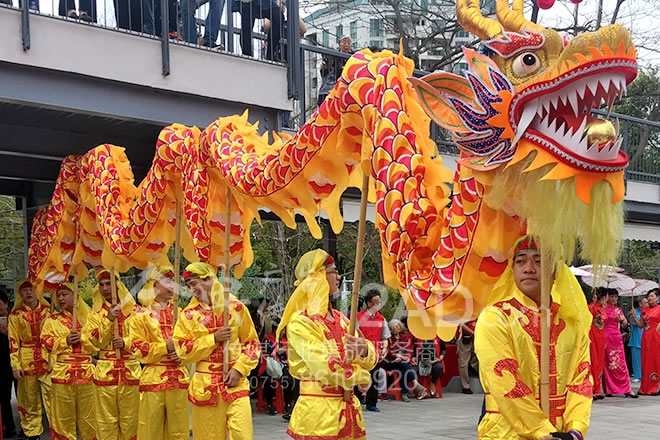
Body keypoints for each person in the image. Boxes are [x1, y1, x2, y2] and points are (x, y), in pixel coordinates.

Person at [475, 236, 592, 440]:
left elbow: (581, 381)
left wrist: (575, 431)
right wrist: (542, 432)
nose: (528, 268)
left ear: (555, 271)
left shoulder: (572, 325)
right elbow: (504, 381)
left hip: (561, 433)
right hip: (508, 432)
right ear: (512, 270)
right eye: (520, 261)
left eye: (539, 261)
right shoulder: (495, 318)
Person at [276, 249, 376, 440]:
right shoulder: (300, 322)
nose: (338, 277)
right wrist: (361, 376)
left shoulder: (342, 319)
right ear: (317, 276)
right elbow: (324, 366)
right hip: (318, 414)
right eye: (333, 271)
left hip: (348, 411)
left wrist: (363, 349)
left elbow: (368, 356)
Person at [173, 262, 260, 440]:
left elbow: (252, 344)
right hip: (205, 387)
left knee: (243, 435)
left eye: (194, 283)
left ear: (209, 279)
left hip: (235, 384)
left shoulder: (235, 307)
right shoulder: (188, 315)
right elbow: (182, 350)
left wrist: (239, 369)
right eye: (188, 286)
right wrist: (213, 339)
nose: (191, 290)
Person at [129, 266, 190, 439]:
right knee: (150, 429)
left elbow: (191, 343)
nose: (173, 286)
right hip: (153, 377)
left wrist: (182, 355)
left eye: (174, 281)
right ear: (155, 285)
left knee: (179, 430)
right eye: (168, 281)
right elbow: (137, 348)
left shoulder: (182, 314)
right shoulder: (141, 315)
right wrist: (166, 346)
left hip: (178, 376)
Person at [84, 269, 141, 440]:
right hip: (105, 371)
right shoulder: (95, 314)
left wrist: (126, 342)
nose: (105, 288)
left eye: (109, 284)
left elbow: (143, 338)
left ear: (118, 285)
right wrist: (108, 320)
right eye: (101, 285)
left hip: (130, 369)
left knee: (131, 418)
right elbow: (95, 342)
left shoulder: (134, 311)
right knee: (105, 419)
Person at [41, 282, 97, 440]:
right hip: (63, 374)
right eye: (58, 295)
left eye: (64, 294)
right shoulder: (52, 321)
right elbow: (45, 342)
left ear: (76, 296)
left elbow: (98, 344)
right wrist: (64, 341)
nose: (60, 298)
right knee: (62, 418)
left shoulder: (90, 319)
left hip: (87, 373)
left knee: (90, 417)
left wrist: (83, 338)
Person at [7, 280, 52, 440]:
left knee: (53, 396)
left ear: (37, 290)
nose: (28, 292)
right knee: (29, 398)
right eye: (24, 290)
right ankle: (33, 432)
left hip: (48, 359)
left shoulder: (49, 311)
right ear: (21, 293)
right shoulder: (16, 315)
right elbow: (13, 342)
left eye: (31, 289)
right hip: (26, 360)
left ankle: (58, 429)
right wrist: (15, 365)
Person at [356, 290, 390, 411]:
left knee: (374, 376)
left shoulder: (381, 319)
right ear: (369, 303)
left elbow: (385, 337)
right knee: (357, 376)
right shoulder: (358, 317)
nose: (378, 305)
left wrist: (384, 348)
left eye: (379, 302)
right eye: (376, 302)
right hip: (360, 353)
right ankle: (357, 401)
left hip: (374, 353)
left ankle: (372, 403)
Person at [601, 288, 637, 398]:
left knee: (620, 362)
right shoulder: (602, 309)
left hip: (616, 337)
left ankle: (626, 389)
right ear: (607, 297)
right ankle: (609, 389)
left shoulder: (618, 310)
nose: (614, 299)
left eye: (616, 297)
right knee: (608, 363)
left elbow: (625, 325)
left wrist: (623, 319)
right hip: (606, 336)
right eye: (611, 296)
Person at [382, 319, 428, 401]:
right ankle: (415, 385)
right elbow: (388, 351)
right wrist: (397, 355)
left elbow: (408, 350)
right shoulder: (389, 339)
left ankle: (404, 394)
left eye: (396, 327)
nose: (394, 329)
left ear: (400, 328)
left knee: (404, 369)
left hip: (401, 361)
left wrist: (405, 357)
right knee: (404, 365)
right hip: (390, 362)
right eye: (392, 327)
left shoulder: (404, 338)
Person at [0, 287, 17, 438]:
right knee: (4, 397)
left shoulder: (16, 317)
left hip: (19, 362)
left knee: (24, 397)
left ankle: (28, 428)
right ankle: (8, 427)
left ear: (6, 304)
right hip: (3, 364)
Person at [317, 35, 352, 106]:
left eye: (348, 43)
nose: (346, 45)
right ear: (339, 45)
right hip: (327, 91)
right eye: (344, 43)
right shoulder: (331, 63)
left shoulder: (353, 58)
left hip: (342, 91)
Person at [274, 327, 299, 421]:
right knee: (287, 381)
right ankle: (288, 405)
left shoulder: (292, 340)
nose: (283, 332)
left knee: (298, 381)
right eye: (281, 330)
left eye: (285, 330)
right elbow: (276, 352)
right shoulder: (275, 340)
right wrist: (287, 347)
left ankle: (294, 409)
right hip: (280, 366)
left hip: (294, 366)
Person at [639, 288, 660, 395]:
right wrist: (634, 316)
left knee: (655, 360)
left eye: (652, 296)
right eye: (648, 296)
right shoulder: (644, 310)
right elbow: (641, 325)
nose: (650, 298)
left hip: (656, 337)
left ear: (657, 297)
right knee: (645, 361)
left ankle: (656, 386)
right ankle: (645, 387)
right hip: (646, 337)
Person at [588, 290, 607, 399]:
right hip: (592, 335)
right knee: (593, 361)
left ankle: (597, 389)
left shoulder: (600, 307)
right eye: (593, 294)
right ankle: (592, 388)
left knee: (599, 362)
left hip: (600, 337)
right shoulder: (589, 306)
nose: (595, 296)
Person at [457, 319, 479, 394]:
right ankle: (465, 386)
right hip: (466, 337)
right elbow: (461, 324)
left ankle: (472, 368)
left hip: (477, 338)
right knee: (463, 362)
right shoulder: (464, 310)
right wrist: (473, 333)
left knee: (478, 357)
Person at [628, 297, 645, 383]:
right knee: (636, 359)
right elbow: (633, 323)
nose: (647, 303)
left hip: (645, 338)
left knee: (644, 359)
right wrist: (633, 316)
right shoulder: (635, 313)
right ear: (640, 304)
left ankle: (644, 375)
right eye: (644, 302)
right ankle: (637, 375)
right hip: (636, 338)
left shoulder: (646, 312)